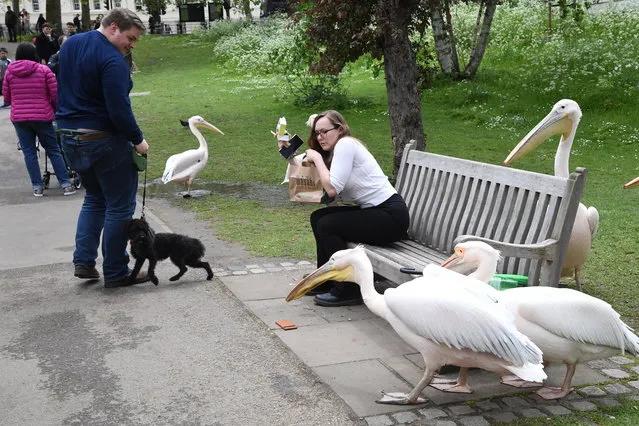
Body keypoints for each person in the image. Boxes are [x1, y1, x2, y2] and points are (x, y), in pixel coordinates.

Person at [57, 8, 150, 288]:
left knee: (95, 199)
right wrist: (138, 139)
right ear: (113, 28)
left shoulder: (71, 43)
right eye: (130, 38)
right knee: (120, 207)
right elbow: (118, 109)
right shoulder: (112, 61)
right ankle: (116, 271)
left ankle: (84, 261)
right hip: (103, 139)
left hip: (68, 135)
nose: (131, 45)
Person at [298, 110, 410, 307]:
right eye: (316, 133)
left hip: (390, 216)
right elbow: (325, 192)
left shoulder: (346, 144)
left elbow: (332, 188)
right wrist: (290, 153)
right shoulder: (336, 152)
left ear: (340, 129)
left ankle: (349, 288)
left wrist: (315, 158)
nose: (320, 137)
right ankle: (327, 280)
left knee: (327, 225)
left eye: (325, 131)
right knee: (319, 217)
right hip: (376, 212)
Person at [2, 43, 76, 197]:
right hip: (42, 116)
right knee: (53, 150)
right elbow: (55, 95)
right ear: (34, 54)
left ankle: (37, 186)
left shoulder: (10, 72)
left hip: (20, 118)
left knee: (29, 152)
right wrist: (55, 111)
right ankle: (65, 184)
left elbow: (7, 97)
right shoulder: (43, 70)